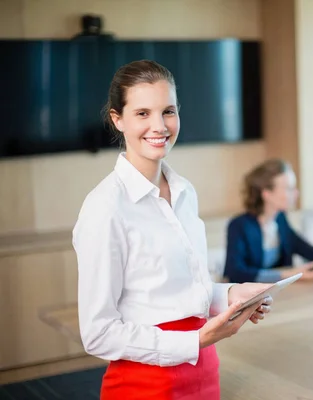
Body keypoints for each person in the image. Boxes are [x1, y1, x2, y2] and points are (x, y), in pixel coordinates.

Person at [73, 60, 273, 400]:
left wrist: (230, 295)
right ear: (117, 119)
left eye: (168, 111)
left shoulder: (185, 192)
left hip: (204, 371)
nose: (159, 126)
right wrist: (194, 341)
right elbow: (98, 333)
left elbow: (179, 290)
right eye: (142, 113)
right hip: (144, 385)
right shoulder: (105, 207)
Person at [224, 159, 313, 283]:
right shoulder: (239, 226)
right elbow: (235, 273)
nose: (296, 193)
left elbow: (302, 247)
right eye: (289, 189)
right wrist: (287, 274)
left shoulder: (280, 220)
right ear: (267, 194)